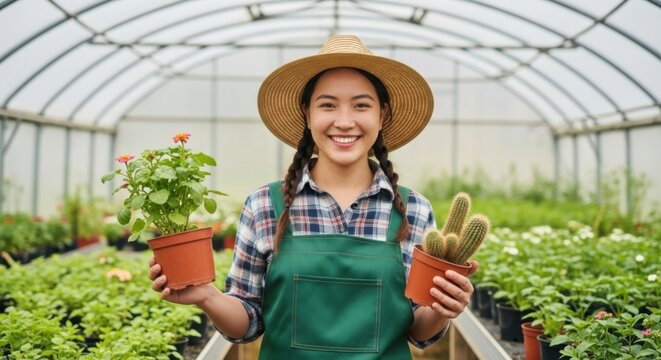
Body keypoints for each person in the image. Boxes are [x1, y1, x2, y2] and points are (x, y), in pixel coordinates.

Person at [149, 34, 478, 359]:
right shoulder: (265, 205)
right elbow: (246, 324)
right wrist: (207, 296)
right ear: (307, 114)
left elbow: (418, 331)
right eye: (328, 105)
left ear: (383, 115)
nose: (344, 121)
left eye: (361, 105)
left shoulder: (412, 211)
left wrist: (442, 309)